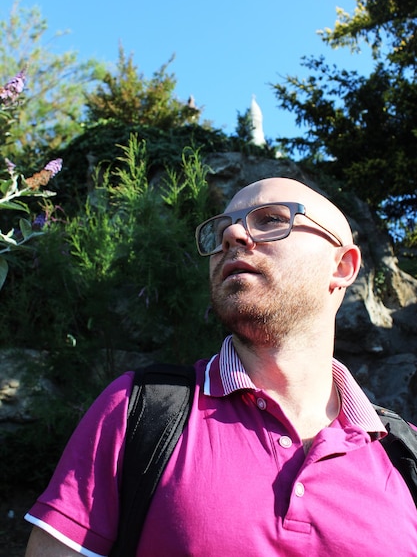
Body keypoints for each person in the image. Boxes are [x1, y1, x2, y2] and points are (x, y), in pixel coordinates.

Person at [25, 176, 417, 556]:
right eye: (223, 230)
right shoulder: (137, 410)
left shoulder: (407, 455)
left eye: (272, 220)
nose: (233, 236)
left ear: (343, 266)